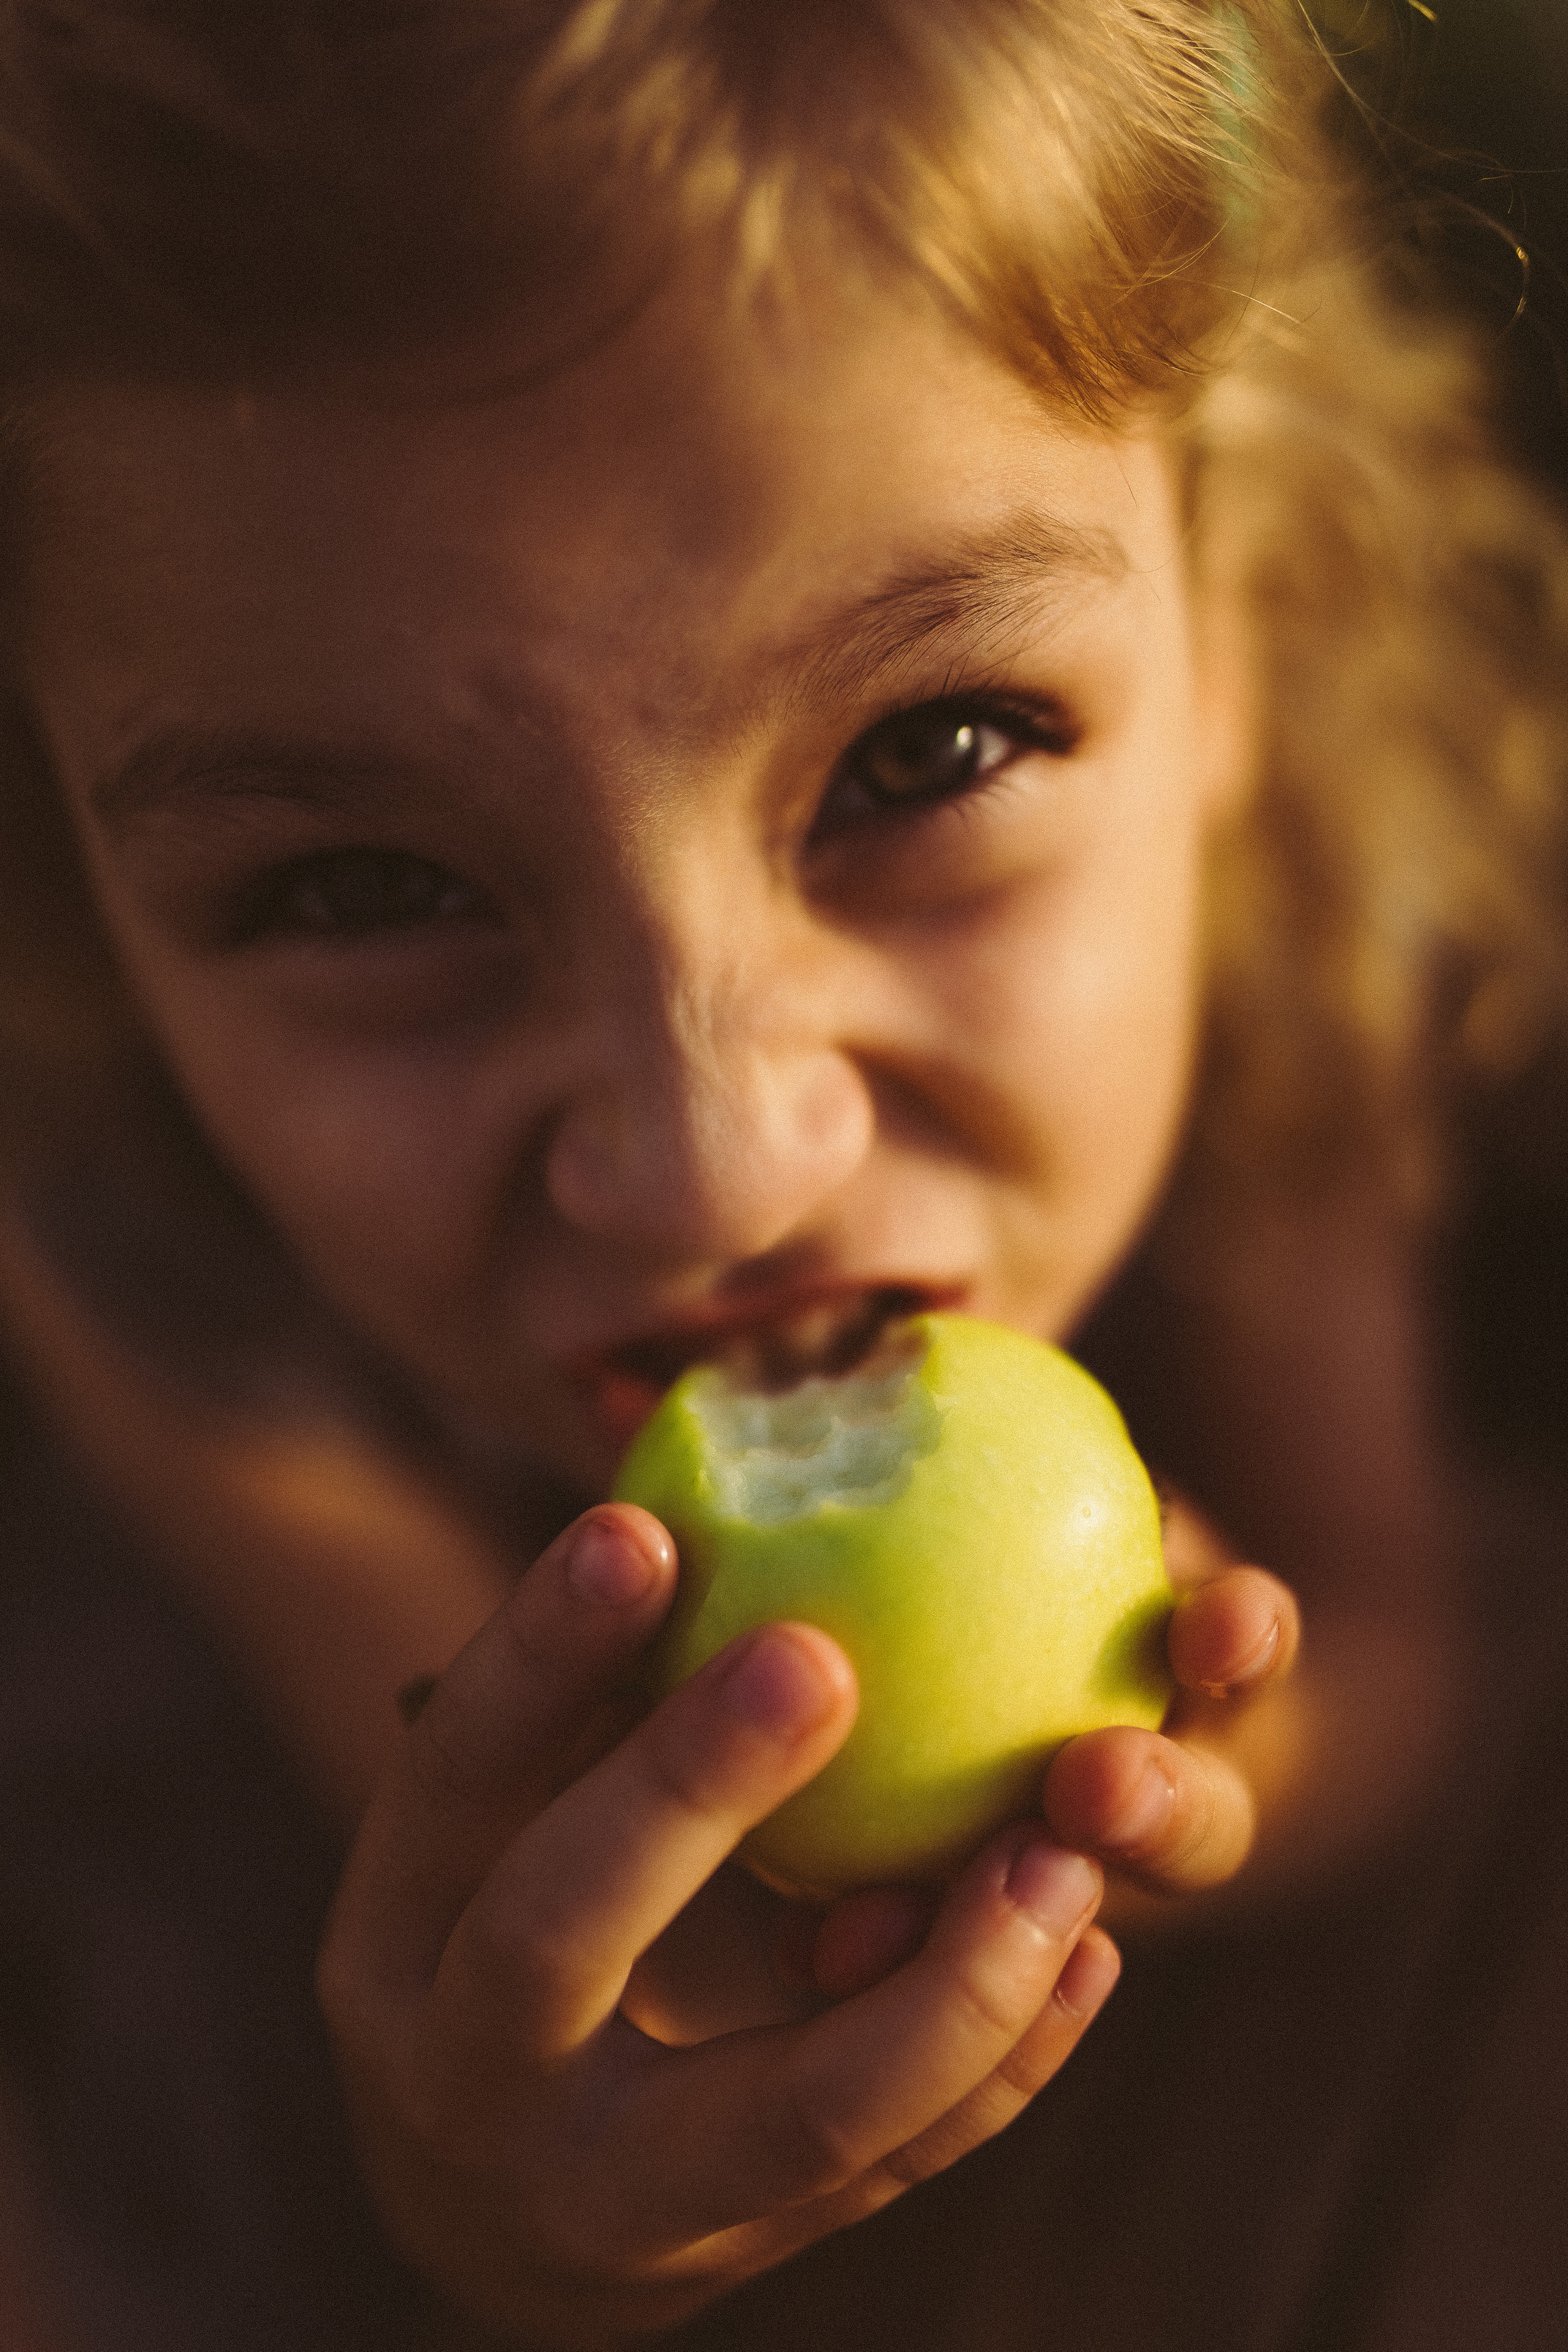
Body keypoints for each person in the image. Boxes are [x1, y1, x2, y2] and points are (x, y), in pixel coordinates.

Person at [0, 3, 1564, 2346]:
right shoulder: (107, 1194)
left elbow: (1409, 1647)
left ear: (1232, 639)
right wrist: (511, 2232)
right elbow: (429, 1756)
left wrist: (1204, 1767)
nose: (718, 1166)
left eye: (934, 751)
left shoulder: (1279, 977)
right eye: (355, 892)